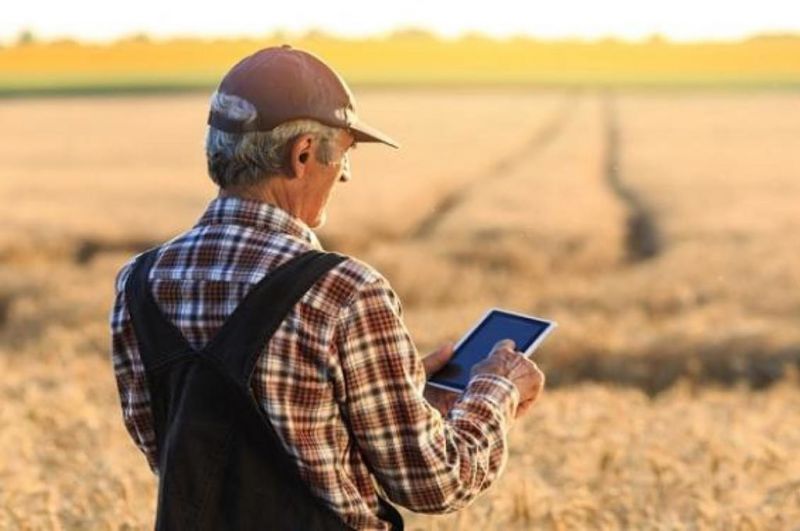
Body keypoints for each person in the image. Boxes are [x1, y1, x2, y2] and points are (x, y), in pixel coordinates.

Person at [110, 45, 545, 530]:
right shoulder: (344, 291)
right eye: (343, 153)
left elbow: (176, 450)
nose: (345, 173)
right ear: (301, 155)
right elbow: (437, 482)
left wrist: (401, 392)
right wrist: (497, 389)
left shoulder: (139, 282)